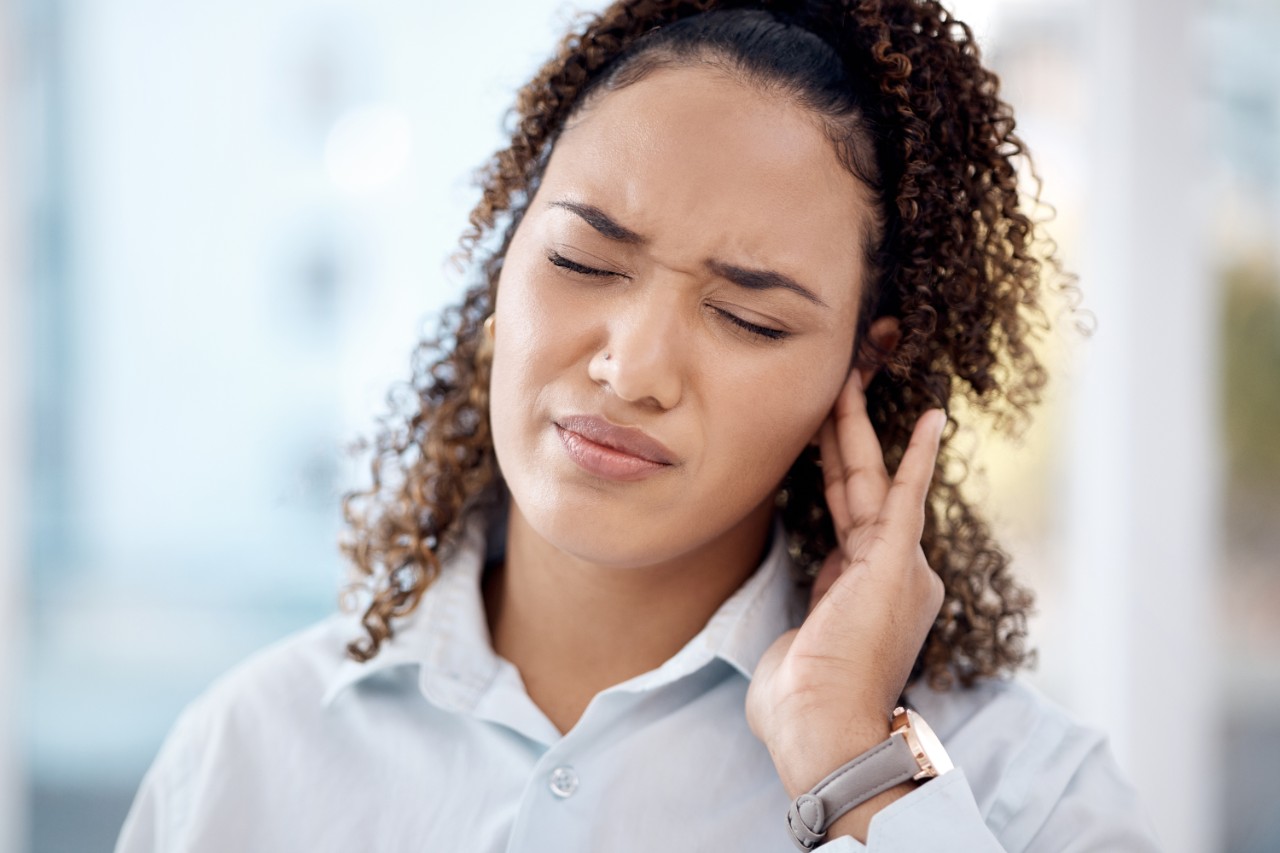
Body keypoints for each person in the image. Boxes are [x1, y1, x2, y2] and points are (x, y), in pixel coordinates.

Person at [116, 1, 1163, 850]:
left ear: (857, 366)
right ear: (503, 262)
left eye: (748, 315)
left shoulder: (1027, 796)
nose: (631, 366)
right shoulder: (248, 753)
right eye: (579, 260)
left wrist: (848, 760)